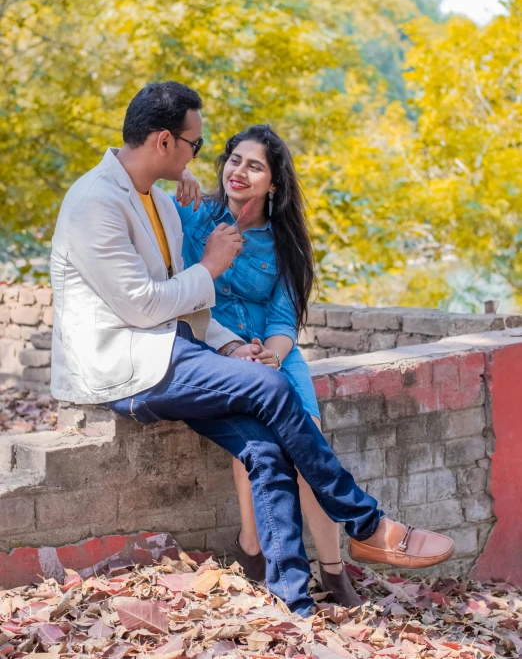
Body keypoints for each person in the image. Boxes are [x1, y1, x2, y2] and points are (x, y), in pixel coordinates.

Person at [50, 81, 454, 618]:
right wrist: (211, 267)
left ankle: (294, 600)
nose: (204, 158)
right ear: (165, 142)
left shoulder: (161, 206)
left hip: (176, 350)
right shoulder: (94, 203)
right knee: (271, 385)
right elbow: (144, 307)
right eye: (196, 146)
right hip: (124, 366)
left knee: (263, 448)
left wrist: (233, 345)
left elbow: (189, 312)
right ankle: (368, 525)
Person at [173, 125, 361, 607]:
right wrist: (179, 181)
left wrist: (272, 356)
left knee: (308, 450)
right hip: (214, 348)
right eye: (234, 160)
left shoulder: (283, 244)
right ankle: (253, 548)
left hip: (274, 353)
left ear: (273, 182)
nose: (239, 171)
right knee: (256, 442)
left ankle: (334, 573)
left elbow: (282, 319)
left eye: (254, 165)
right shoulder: (194, 214)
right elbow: (171, 273)